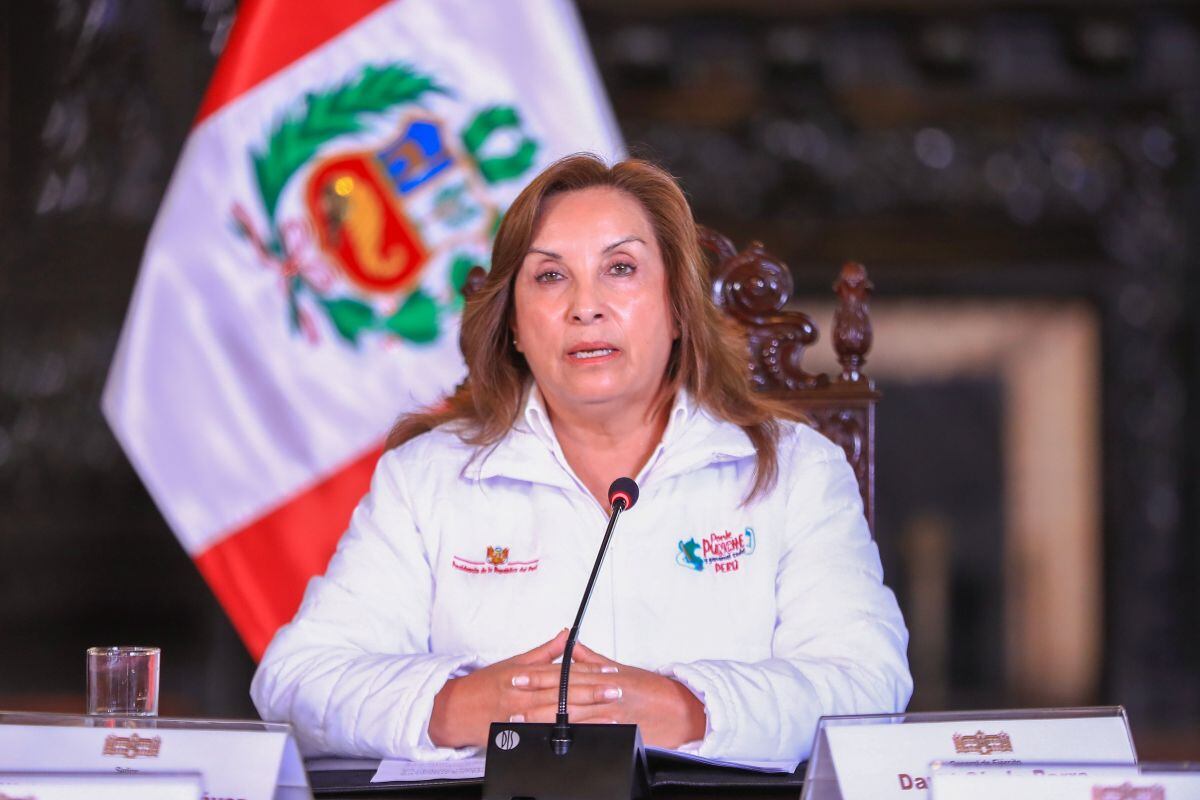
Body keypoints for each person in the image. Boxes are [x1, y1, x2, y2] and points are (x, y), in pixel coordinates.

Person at [250, 154, 912, 763]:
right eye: (549, 277)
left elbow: (867, 683)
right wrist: (455, 705)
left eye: (620, 269)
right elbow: (295, 680)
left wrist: (691, 708)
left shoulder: (795, 469)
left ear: (679, 307)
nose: (585, 307)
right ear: (512, 322)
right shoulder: (426, 477)